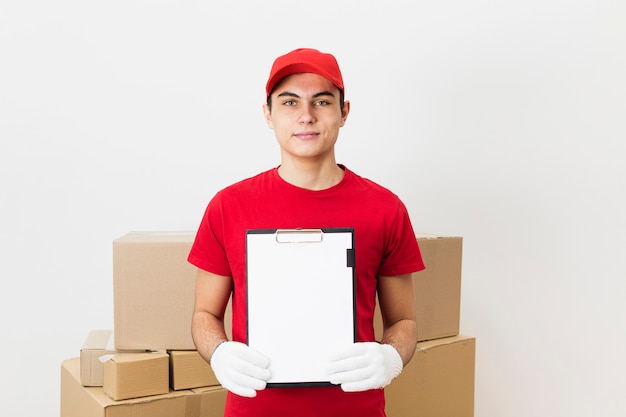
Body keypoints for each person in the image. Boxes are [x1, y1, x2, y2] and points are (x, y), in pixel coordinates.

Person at [188, 48, 425, 417]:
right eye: (289, 102)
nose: (306, 116)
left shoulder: (385, 208)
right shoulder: (228, 206)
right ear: (268, 114)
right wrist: (218, 352)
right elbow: (205, 313)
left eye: (322, 101)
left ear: (344, 112)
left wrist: (391, 356)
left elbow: (403, 321)